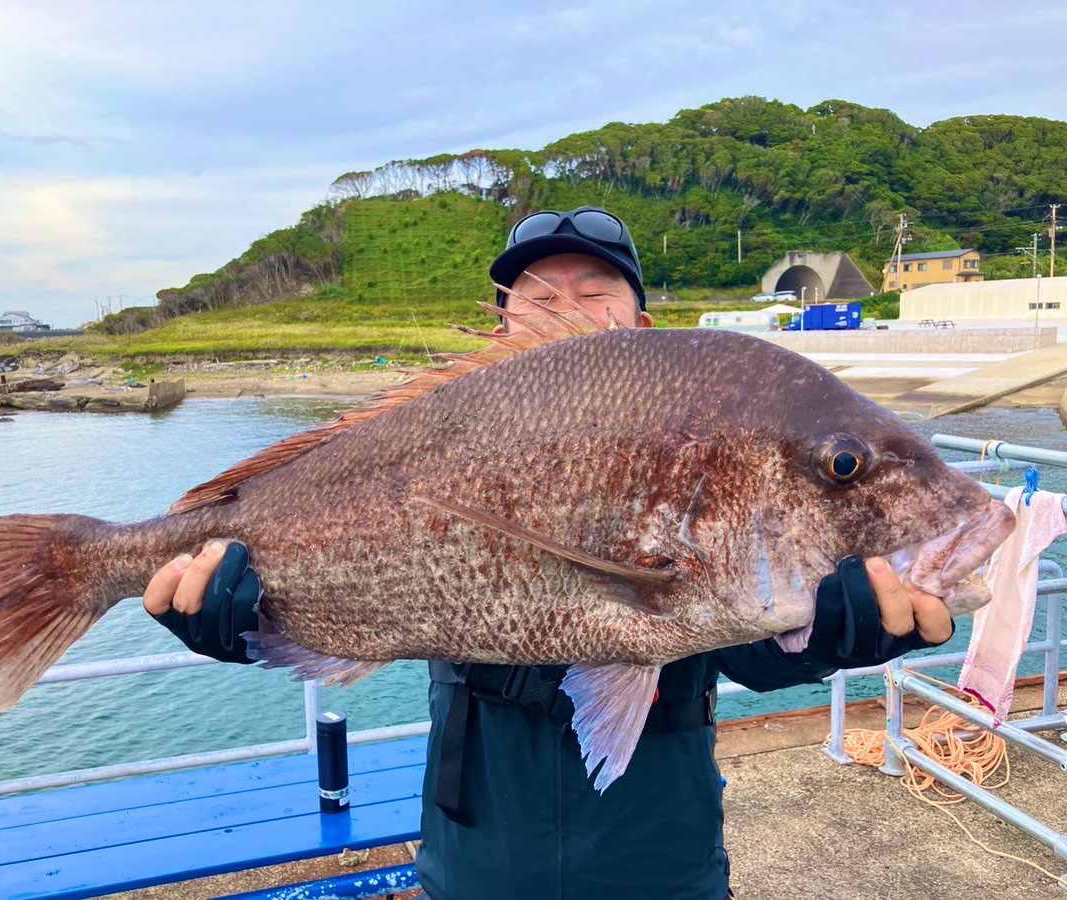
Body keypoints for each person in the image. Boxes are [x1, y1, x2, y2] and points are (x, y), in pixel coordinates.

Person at [142, 207, 954, 900]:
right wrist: (239, 621)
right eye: (537, 298)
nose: (564, 310)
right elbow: (337, 558)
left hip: (660, 858)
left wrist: (825, 639)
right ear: (501, 327)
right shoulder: (451, 423)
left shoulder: (700, 445)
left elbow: (746, 653)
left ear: (642, 330)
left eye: (593, 294)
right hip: (476, 855)